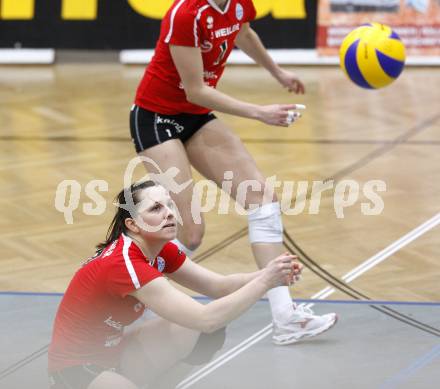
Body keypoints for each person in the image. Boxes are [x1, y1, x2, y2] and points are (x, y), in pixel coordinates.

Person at [129, 0, 337, 345]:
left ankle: (285, 318)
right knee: (190, 232)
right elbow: (196, 89)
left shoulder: (239, 4)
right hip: (156, 118)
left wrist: (278, 72)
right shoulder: (186, 14)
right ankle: (128, 289)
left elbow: (244, 34)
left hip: (195, 116)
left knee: (263, 201)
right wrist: (259, 112)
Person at [48, 180, 303, 389]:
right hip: (75, 369)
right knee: (206, 322)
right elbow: (206, 318)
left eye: (170, 205)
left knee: (206, 334)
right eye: (156, 209)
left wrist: (270, 274)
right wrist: (266, 281)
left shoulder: (159, 249)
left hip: (116, 351)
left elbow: (219, 286)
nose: (169, 212)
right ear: (133, 224)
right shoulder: (124, 263)